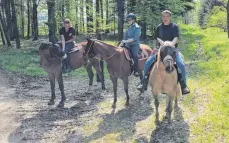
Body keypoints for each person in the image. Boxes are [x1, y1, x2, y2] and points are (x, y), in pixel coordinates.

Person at [137, 10, 190, 95]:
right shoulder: (159, 27)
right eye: (163, 16)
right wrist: (154, 48)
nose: (165, 18)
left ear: (170, 17)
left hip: (172, 50)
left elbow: (176, 38)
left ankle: (184, 86)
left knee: (181, 65)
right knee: (148, 62)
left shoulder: (174, 26)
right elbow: (155, 38)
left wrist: (170, 44)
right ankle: (144, 82)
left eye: (166, 16)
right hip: (161, 50)